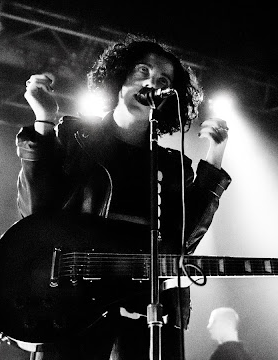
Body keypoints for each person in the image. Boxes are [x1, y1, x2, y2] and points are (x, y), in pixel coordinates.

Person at [16, 33, 232, 360]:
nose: (150, 84)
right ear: (120, 80)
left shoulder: (173, 168)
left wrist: (215, 159)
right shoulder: (74, 139)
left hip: (145, 323)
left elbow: (181, 247)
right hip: (72, 315)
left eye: (162, 81)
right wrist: (44, 119)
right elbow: (36, 215)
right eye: (141, 72)